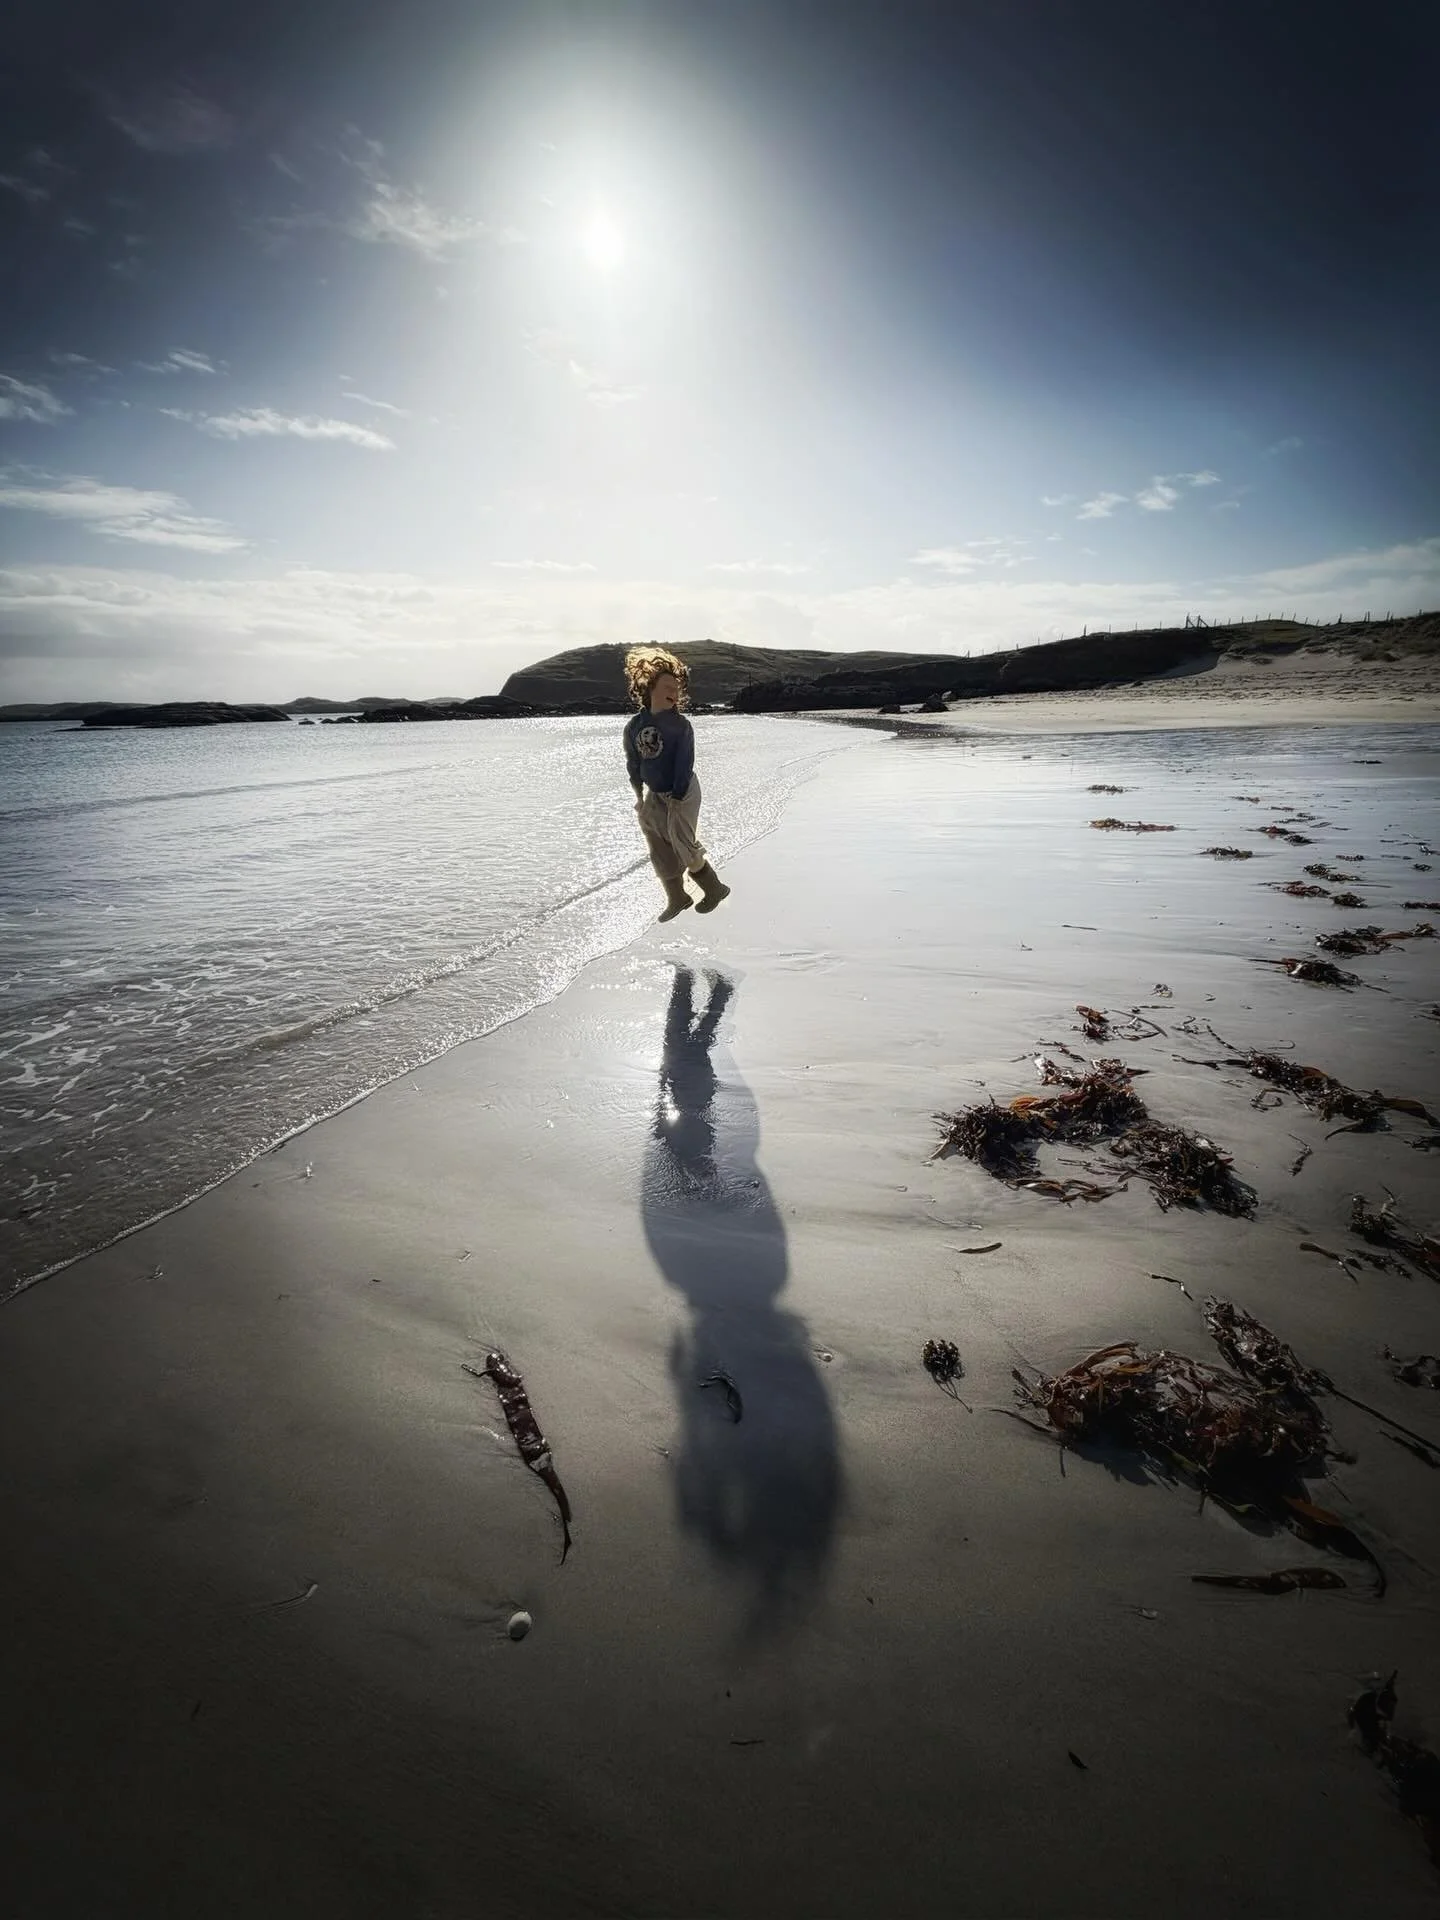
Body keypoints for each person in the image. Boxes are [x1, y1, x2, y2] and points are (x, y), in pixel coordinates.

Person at [622, 646, 731, 922]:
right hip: (655, 794)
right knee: (657, 842)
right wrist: (639, 797)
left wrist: (677, 797)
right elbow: (634, 764)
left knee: (682, 841)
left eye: (678, 688)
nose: (674, 692)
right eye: (668, 686)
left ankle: (714, 888)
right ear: (649, 687)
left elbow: (685, 763)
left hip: (683, 791)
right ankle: (677, 897)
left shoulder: (680, 726)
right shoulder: (635, 726)